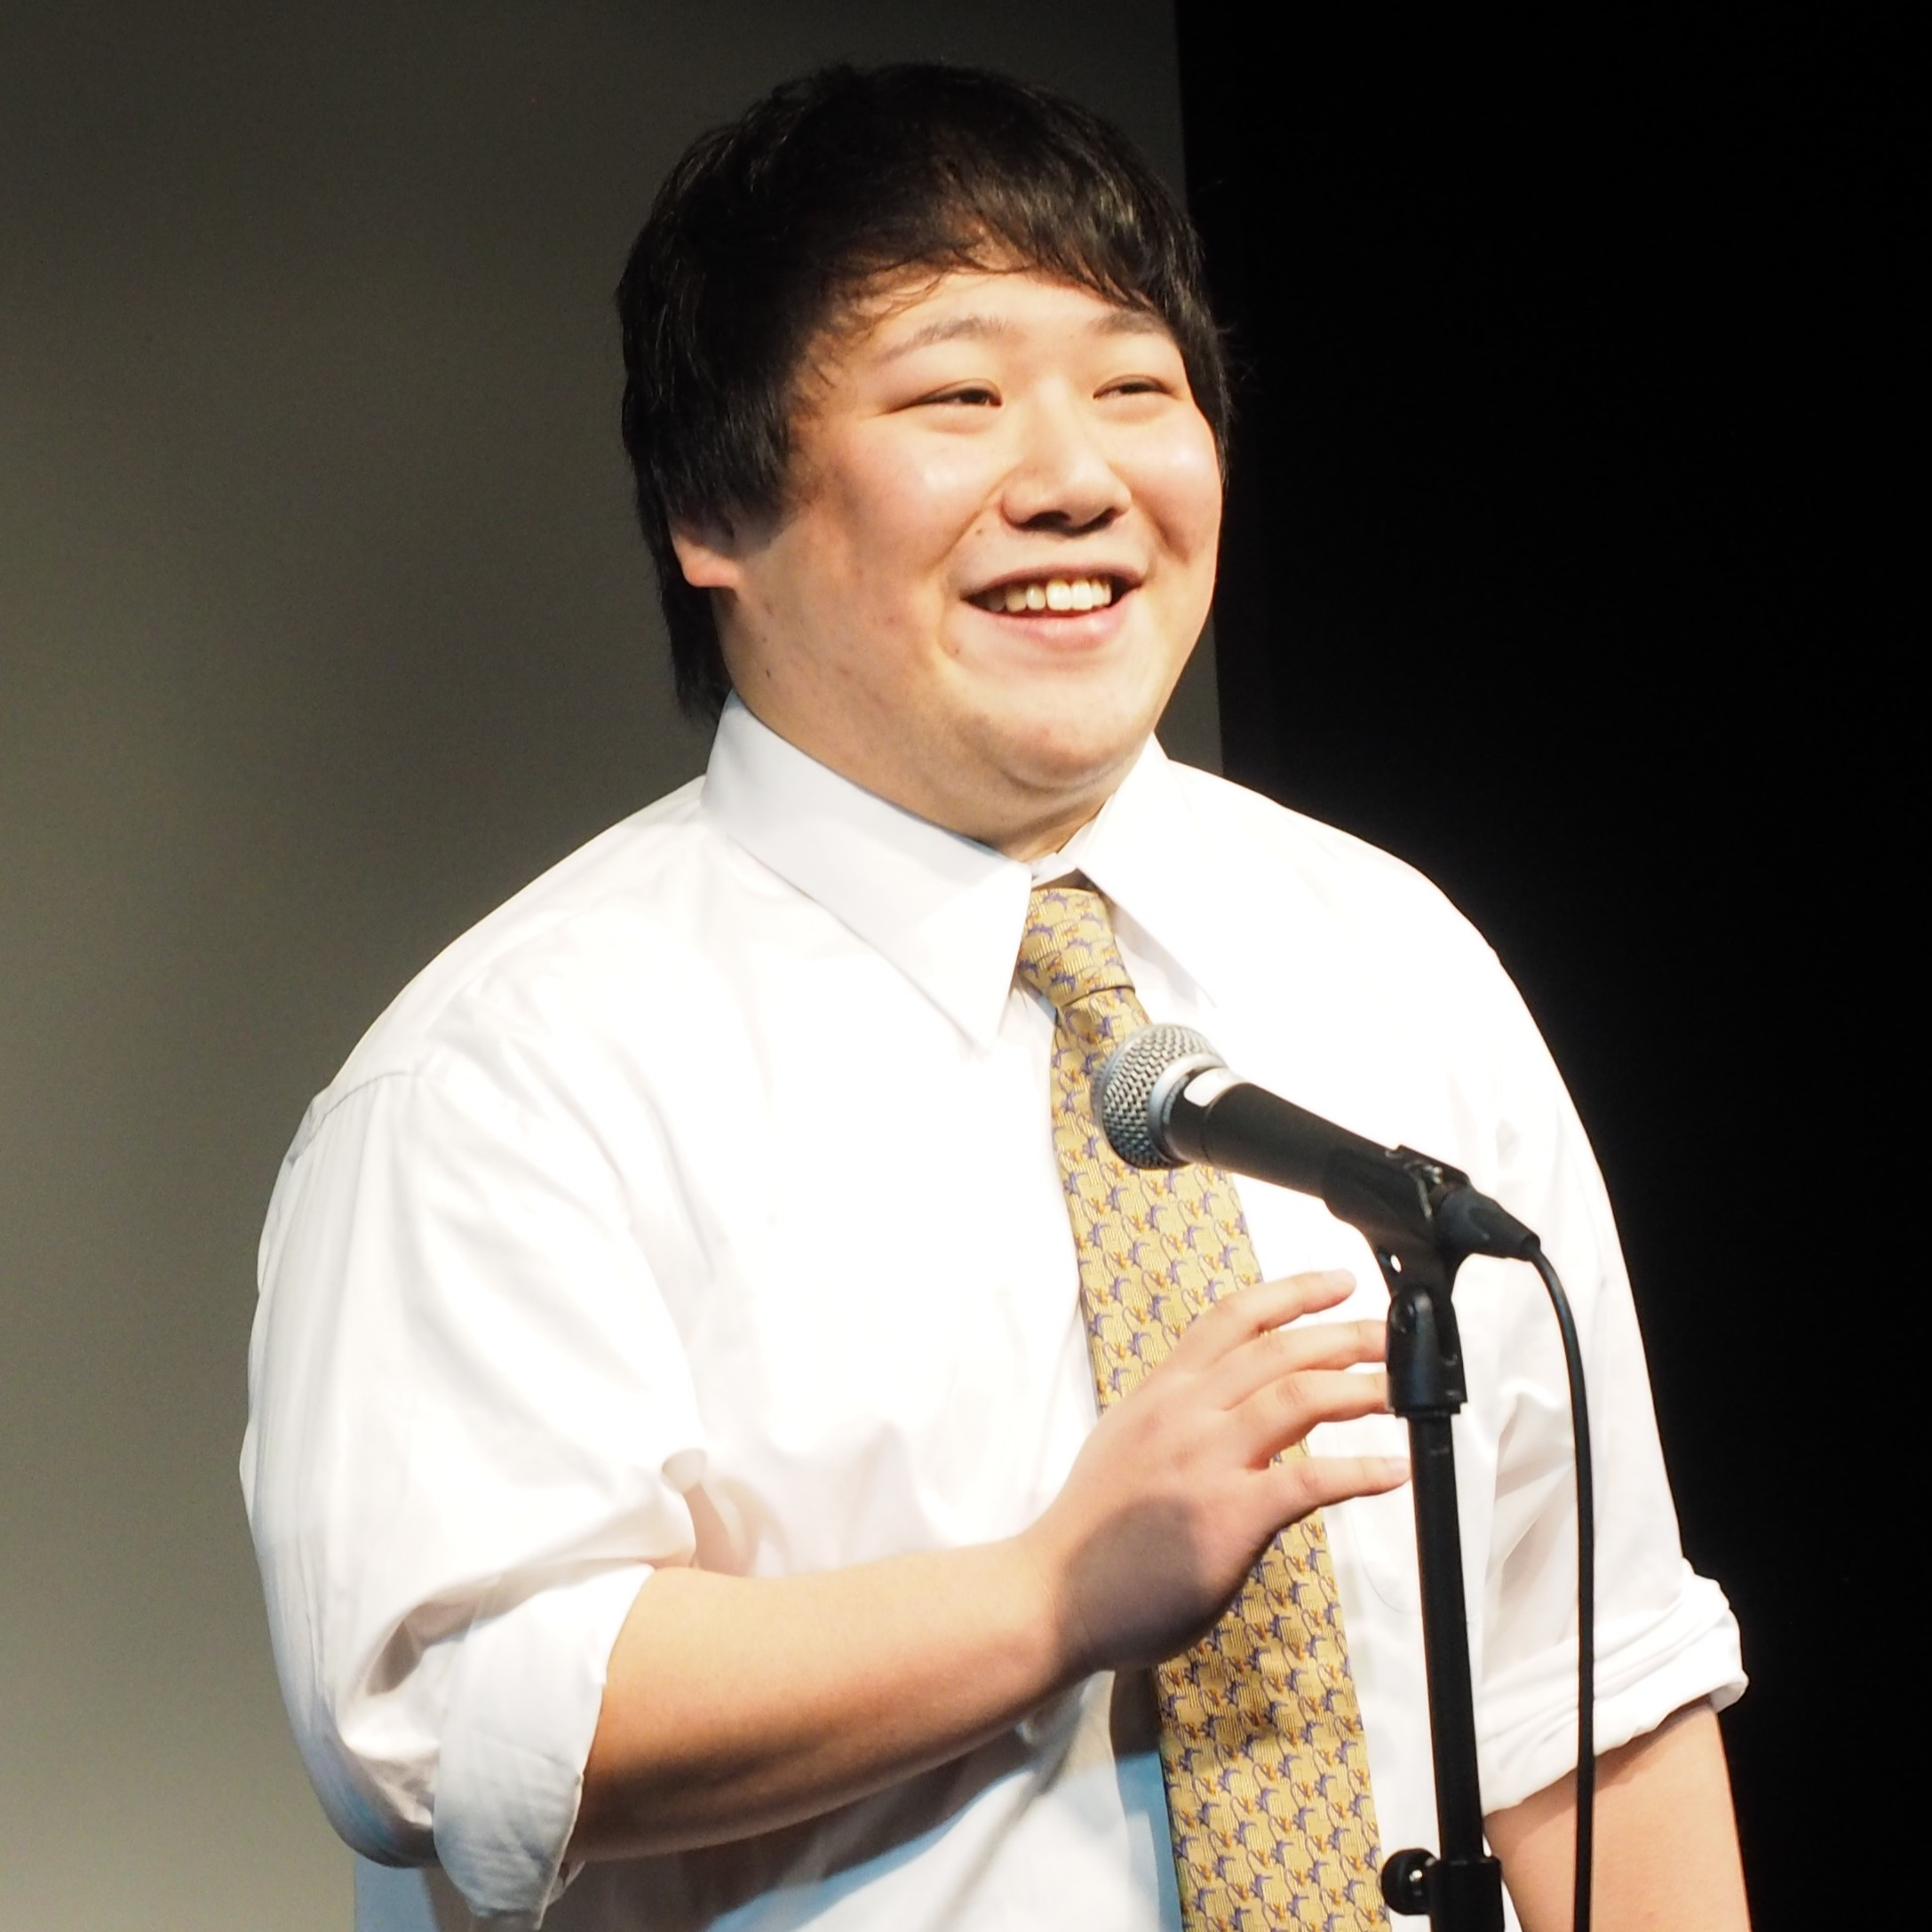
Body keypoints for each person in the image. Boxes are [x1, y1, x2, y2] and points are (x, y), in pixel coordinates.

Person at [243, 64, 1750, 1932]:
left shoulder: (1387, 951)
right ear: (712, 504)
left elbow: (1589, 1683)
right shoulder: (512, 1071)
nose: (1075, 479)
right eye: (958, 399)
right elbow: (446, 1723)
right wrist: (1049, 1595)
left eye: (1135, 388)